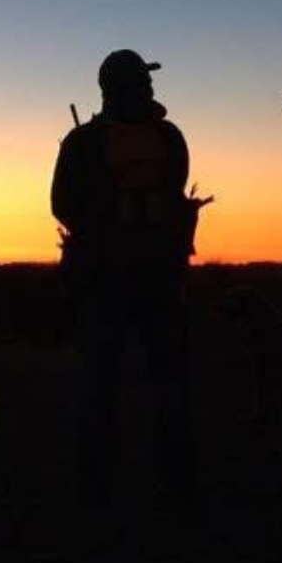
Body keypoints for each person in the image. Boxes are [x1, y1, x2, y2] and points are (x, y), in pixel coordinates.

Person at [51, 49, 208, 520]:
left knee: (120, 378)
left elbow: (63, 206)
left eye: (145, 82)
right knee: (143, 378)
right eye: (140, 81)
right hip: (135, 273)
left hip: (130, 274)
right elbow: (67, 206)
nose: (146, 89)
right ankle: (152, 480)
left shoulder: (87, 141)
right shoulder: (163, 136)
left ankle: (112, 483)